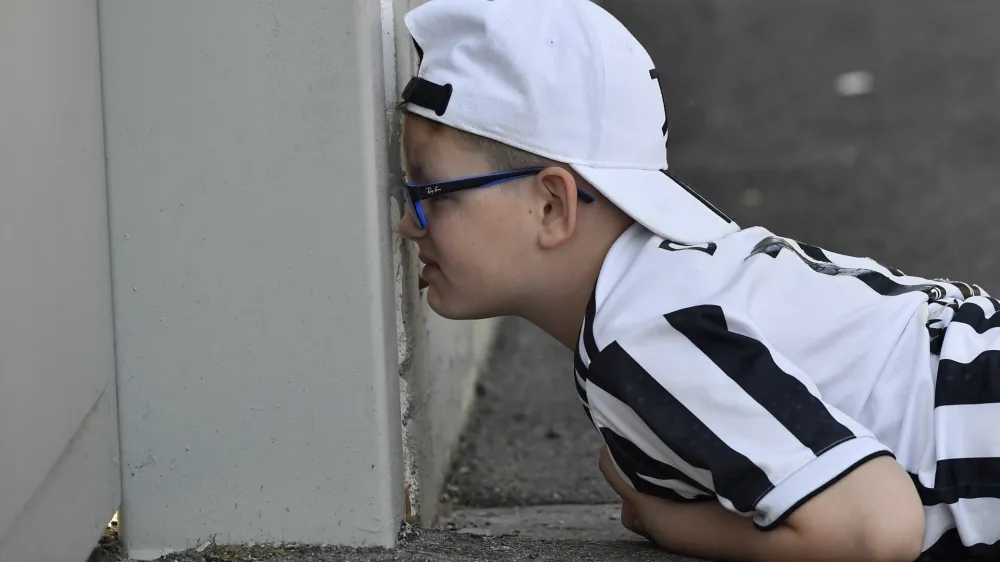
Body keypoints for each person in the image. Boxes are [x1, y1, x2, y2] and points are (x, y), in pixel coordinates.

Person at [394, 0, 1000, 560]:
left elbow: (876, 530)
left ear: (553, 205)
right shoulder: (676, 271)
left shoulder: (642, 330)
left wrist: (672, 525)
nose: (407, 223)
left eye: (428, 194)